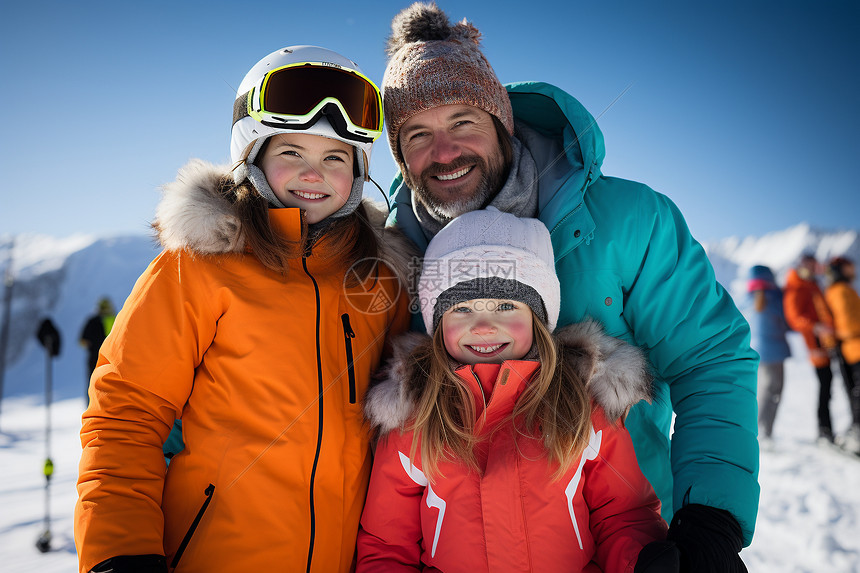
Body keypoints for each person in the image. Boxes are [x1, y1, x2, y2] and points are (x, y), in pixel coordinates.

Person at [378, 3, 758, 567]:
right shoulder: (391, 254)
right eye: (417, 134)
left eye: (463, 122)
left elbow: (709, 359)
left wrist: (711, 518)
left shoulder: (629, 221)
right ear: (400, 156)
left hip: (633, 536)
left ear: (501, 124)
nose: (445, 152)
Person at [74, 45, 413, 573]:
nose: (313, 173)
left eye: (334, 158)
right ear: (251, 158)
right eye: (292, 154)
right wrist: (119, 551)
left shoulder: (378, 278)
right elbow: (125, 415)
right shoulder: (201, 267)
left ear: (359, 172)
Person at [357, 207, 668, 572]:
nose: (485, 326)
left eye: (506, 305)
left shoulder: (581, 407)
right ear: (436, 324)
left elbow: (622, 514)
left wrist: (641, 561)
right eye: (462, 309)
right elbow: (387, 543)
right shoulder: (415, 419)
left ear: (538, 319)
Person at [783, 253, 842, 444]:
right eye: (809, 264)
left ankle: (827, 430)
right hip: (815, 344)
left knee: (828, 385)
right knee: (825, 386)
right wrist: (815, 327)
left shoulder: (812, 283)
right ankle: (824, 431)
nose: (812, 268)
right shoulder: (796, 286)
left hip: (826, 341)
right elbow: (794, 318)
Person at [740, 265, 791, 444]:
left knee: (762, 391)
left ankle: (760, 430)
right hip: (774, 353)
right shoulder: (776, 298)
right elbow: (789, 322)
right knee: (774, 392)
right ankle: (764, 433)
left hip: (756, 351)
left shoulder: (747, 298)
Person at [824, 256, 860, 453]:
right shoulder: (840, 292)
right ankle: (857, 435)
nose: (852, 270)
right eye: (848, 267)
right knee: (857, 393)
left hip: (853, 347)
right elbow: (847, 324)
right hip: (853, 349)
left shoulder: (845, 289)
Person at [78, 296, 115, 403]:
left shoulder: (93, 321)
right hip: (111, 358)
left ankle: (94, 409)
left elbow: (82, 341)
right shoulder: (116, 319)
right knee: (109, 385)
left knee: (94, 384)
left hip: (97, 357)